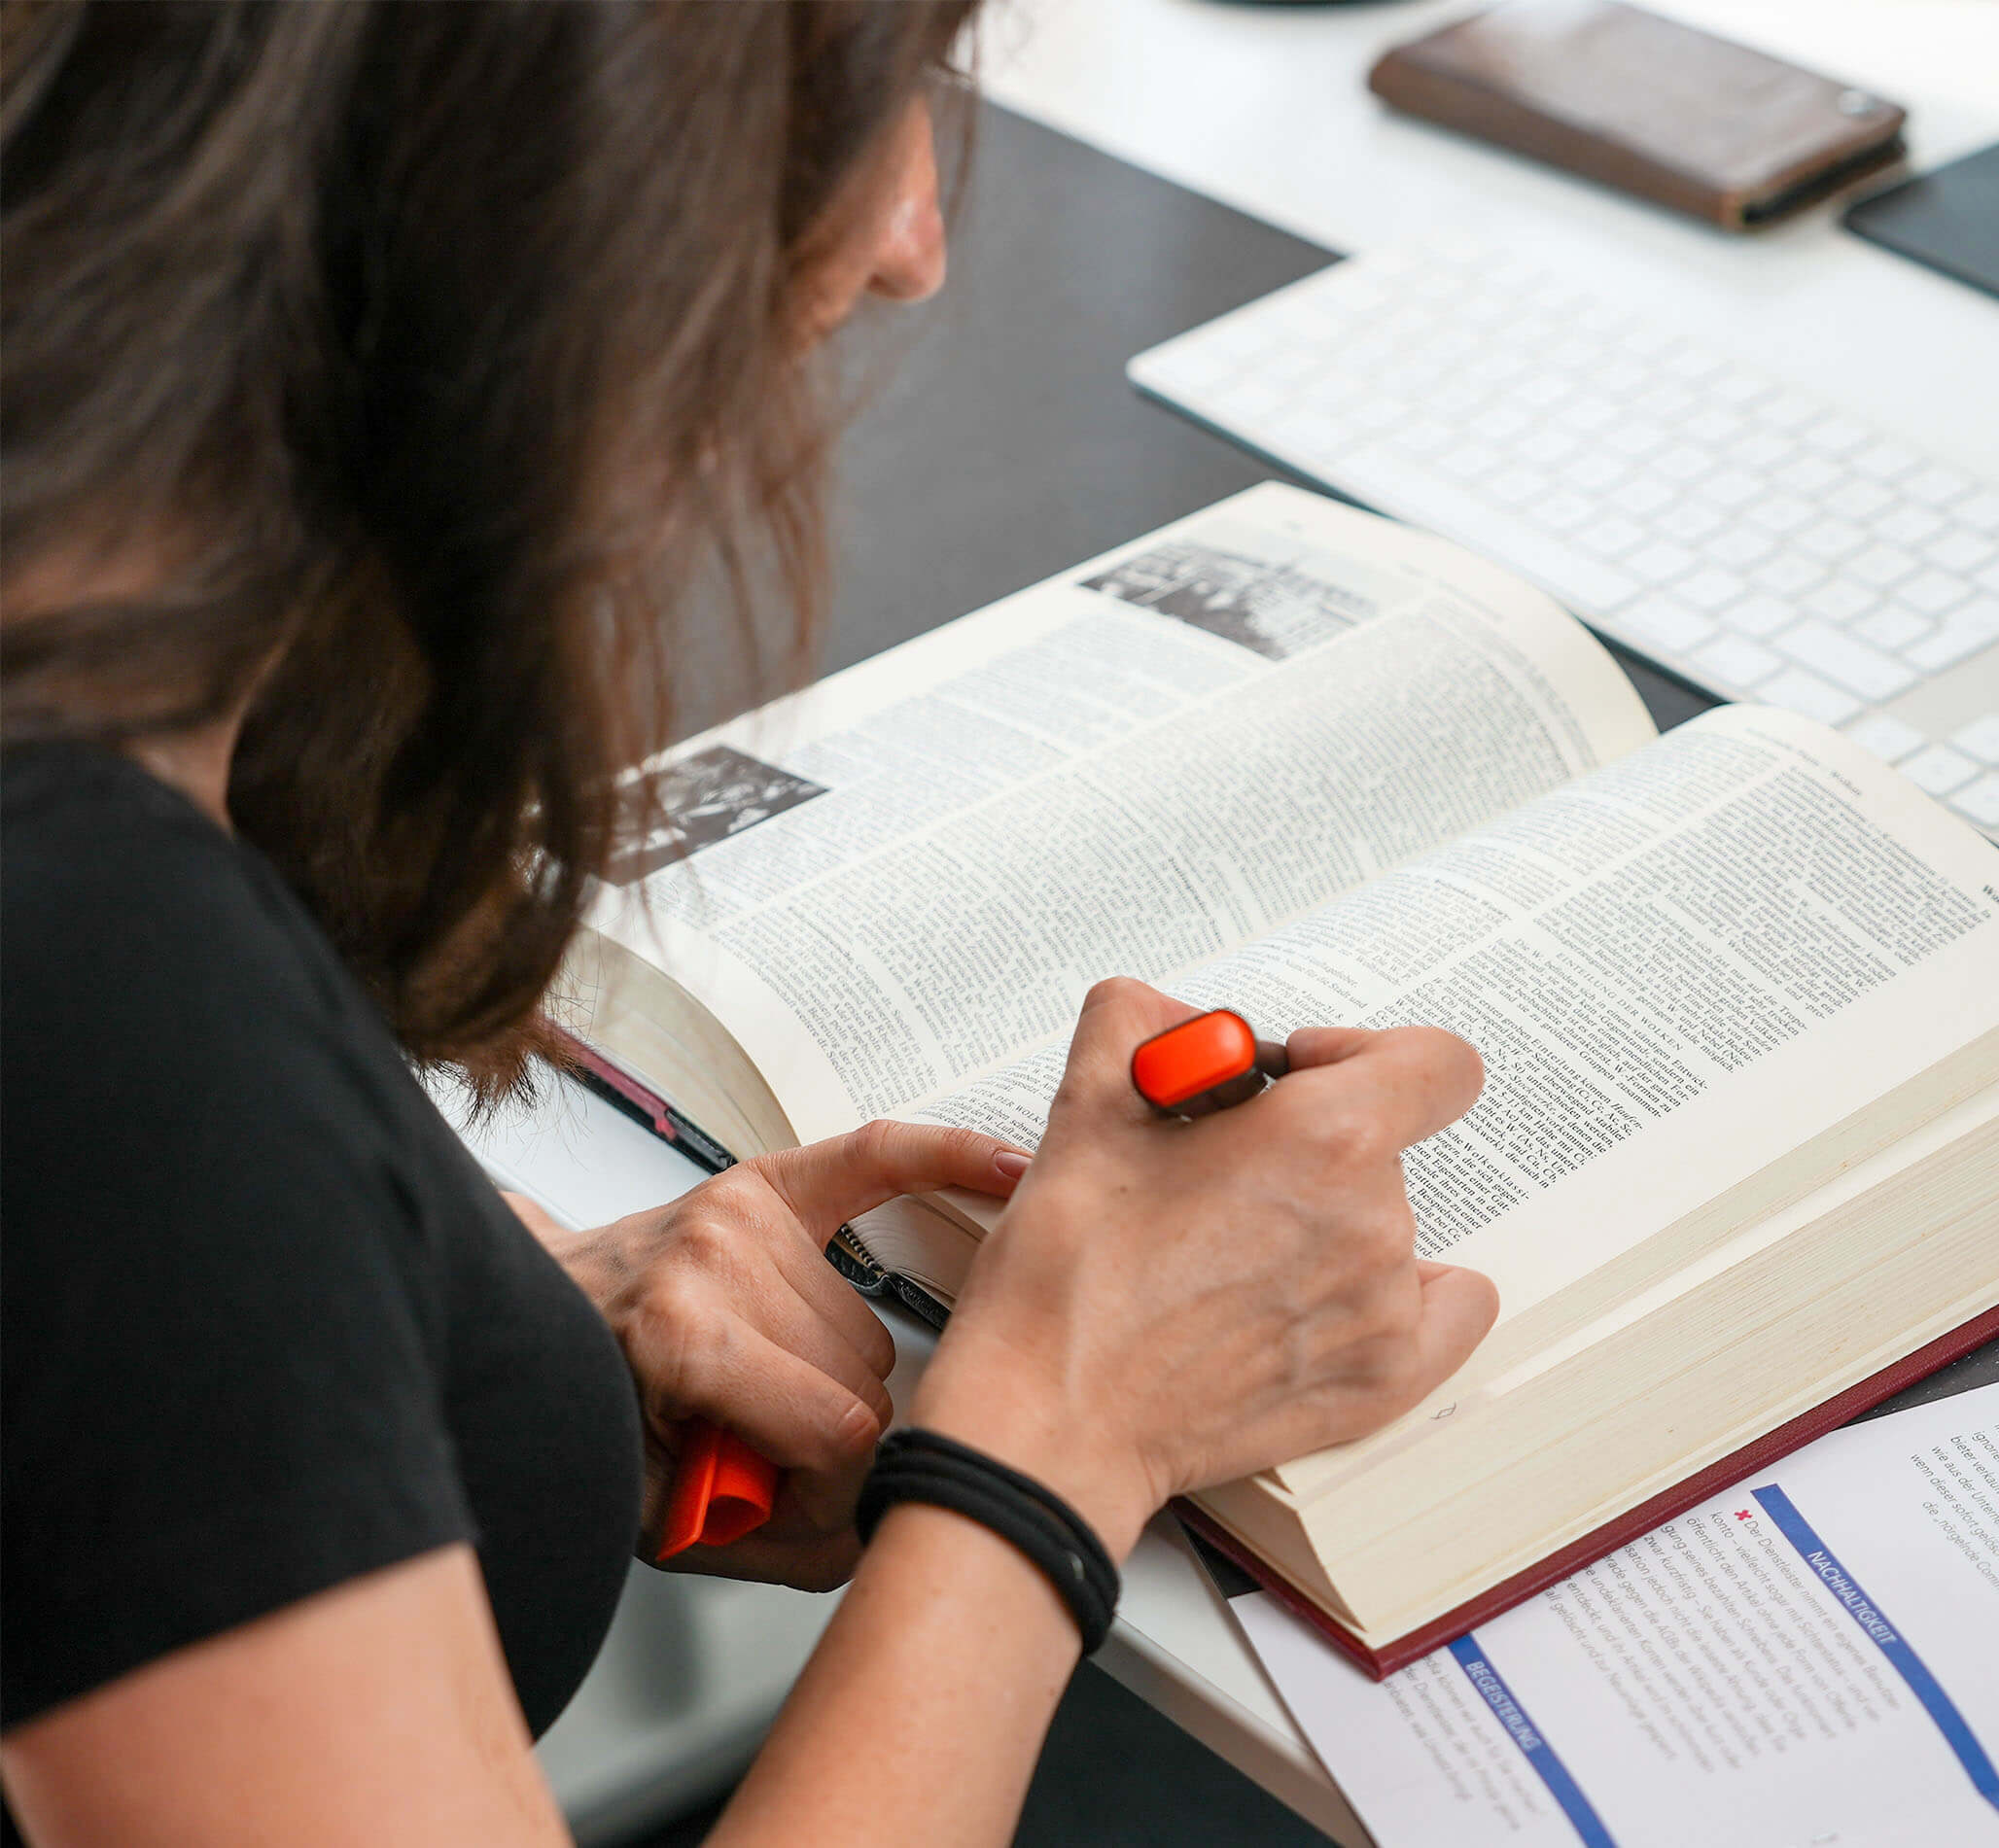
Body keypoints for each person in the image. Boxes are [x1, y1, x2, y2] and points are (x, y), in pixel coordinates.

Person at [0, 5, 1498, 1843]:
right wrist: (1067, 1422)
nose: (909, 242)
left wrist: (471, 1327)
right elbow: (111, 1153)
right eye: (873, 99)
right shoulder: (110, 1004)